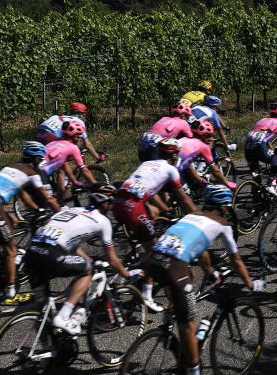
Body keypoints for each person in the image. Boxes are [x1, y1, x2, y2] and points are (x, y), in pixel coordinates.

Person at [148, 185, 264, 375]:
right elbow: (236, 260)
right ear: (224, 207)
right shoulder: (222, 224)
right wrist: (250, 284)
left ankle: (168, 322)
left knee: (188, 280)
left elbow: (201, 252)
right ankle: (194, 370)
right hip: (174, 266)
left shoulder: (191, 215)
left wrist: (211, 273)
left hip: (153, 260)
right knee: (187, 323)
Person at [24, 185, 134, 334]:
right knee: (87, 270)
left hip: (32, 252)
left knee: (42, 308)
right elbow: (112, 259)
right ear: (106, 203)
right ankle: (63, 316)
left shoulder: (71, 210)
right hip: (51, 253)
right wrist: (128, 276)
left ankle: (47, 348)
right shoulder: (103, 221)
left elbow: (72, 244)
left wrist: (88, 258)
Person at [113, 138, 196, 311]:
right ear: (174, 155)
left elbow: (151, 189)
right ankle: (147, 295)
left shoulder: (148, 163)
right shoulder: (171, 170)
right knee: (154, 252)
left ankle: (135, 257)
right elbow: (183, 198)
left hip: (119, 200)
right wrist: (197, 216)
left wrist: (162, 209)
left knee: (151, 215)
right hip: (133, 205)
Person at [0, 142, 61, 305]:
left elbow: (23, 196)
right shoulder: (32, 173)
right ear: (35, 159)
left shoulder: (12, 166)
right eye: (40, 160)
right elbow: (48, 198)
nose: (41, 163)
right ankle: (10, 291)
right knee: (11, 249)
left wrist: (36, 209)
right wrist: (61, 213)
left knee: (12, 220)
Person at [37, 123, 98, 202]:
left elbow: (64, 164)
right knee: (50, 206)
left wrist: (75, 182)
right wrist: (97, 186)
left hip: (36, 167)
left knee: (56, 194)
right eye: (79, 137)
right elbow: (84, 170)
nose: (80, 139)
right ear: (74, 137)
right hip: (42, 172)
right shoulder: (73, 148)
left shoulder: (55, 142)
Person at [35, 102, 106, 162]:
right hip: (51, 136)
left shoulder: (61, 117)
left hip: (39, 133)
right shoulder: (78, 122)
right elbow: (87, 144)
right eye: (83, 115)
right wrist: (98, 157)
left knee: (40, 160)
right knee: (62, 163)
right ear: (80, 114)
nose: (83, 117)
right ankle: (62, 177)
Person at [176, 120, 235, 192]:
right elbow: (215, 171)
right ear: (205, 135)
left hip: (168, 166)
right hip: (176, 172)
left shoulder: (184, 139)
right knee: (187, 199)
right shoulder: (203, 146)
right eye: (210, 135)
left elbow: (188, 166)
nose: (211, 138)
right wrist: (227, 184)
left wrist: (199, 179)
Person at [243, 102, 277, 176]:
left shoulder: (261, 120)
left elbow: (265, 140)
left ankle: (256, 184)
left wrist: (272, 150)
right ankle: (271, 183)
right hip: (260, 147)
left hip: (248, 147)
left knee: (256, 175)